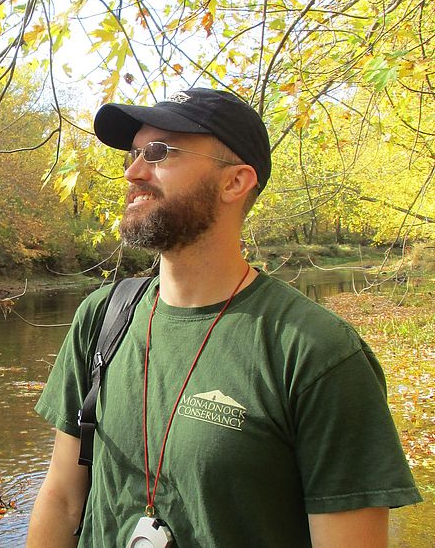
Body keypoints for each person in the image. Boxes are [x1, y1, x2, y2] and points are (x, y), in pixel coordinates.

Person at [26, 88, 421, 547]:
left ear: (235, 182)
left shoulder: (316, 352)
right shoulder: (103, 316)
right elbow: (61, 499)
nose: (133, 171)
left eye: (159, 152)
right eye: (133, 154)